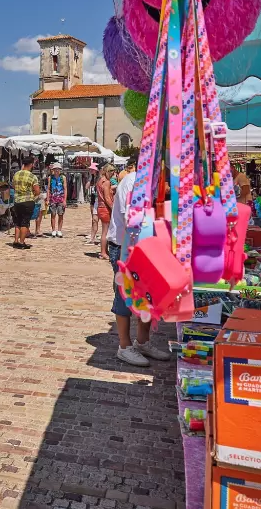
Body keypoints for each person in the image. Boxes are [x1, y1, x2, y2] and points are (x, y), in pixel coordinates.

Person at [106, 156, 172, 367]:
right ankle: (124, 346)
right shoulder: (131, 182)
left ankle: (143, 341)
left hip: (145, 246)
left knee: (146, 295)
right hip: (125, 246)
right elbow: (131, 219)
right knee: (125, 295)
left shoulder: (151, 185)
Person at [10, 156, 40, 249]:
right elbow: (37, 191)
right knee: (24, 222)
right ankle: (22, 242)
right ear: (31, 164)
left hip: (17, 201)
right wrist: (32, 195)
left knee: (17, 222)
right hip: (28, 201)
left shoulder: (16, 174)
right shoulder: (32, 176)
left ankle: (15, 241)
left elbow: (14, 186)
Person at [97, 164, 117, 260]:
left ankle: (104, 251)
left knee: (104, 231)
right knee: (105, 231)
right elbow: (107, 198)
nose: (113, 173)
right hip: (105, 208)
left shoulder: (100, 181)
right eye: (112, 171)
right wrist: (113, 208)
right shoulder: (107, 182)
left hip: (101, 207)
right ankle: (103, 252)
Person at [46, 163, 67, 238]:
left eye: (58, 169)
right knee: (53, 214)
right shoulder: (50, 178)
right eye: (55, 169)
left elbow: (65, 189)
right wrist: (48, 199)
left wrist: (65, 200)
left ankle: (59, 230)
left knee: (61, 214)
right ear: (53, 170)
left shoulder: (63, 177)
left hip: (60, 198)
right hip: (53, 199)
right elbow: (48, 189)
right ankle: (53, 230)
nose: (57, 170)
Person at [86, 163, 100, 245]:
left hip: (98, 199)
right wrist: (90, 179)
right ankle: (93, 235)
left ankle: (95, 235)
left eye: (92, 169)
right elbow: (86, 187)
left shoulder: (99, 178)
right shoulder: (92, 178)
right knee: (94, 218)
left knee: (98, 218)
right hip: (93, 198)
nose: (91, 170)